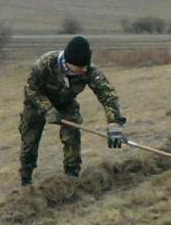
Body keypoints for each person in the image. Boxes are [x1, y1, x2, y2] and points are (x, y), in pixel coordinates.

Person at [19, 35, 127, 186]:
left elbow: (107, 94)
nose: (84, 70)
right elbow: (31, 89)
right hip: (37, 104)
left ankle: (72, 176)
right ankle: (26, 178)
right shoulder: (45, 63)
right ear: (68, 63)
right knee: (29, 141)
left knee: (72, 137)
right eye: (80, 67)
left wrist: (114, 123)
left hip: (66, 103)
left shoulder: (89, 70)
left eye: (86, 66)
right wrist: (46, 109)